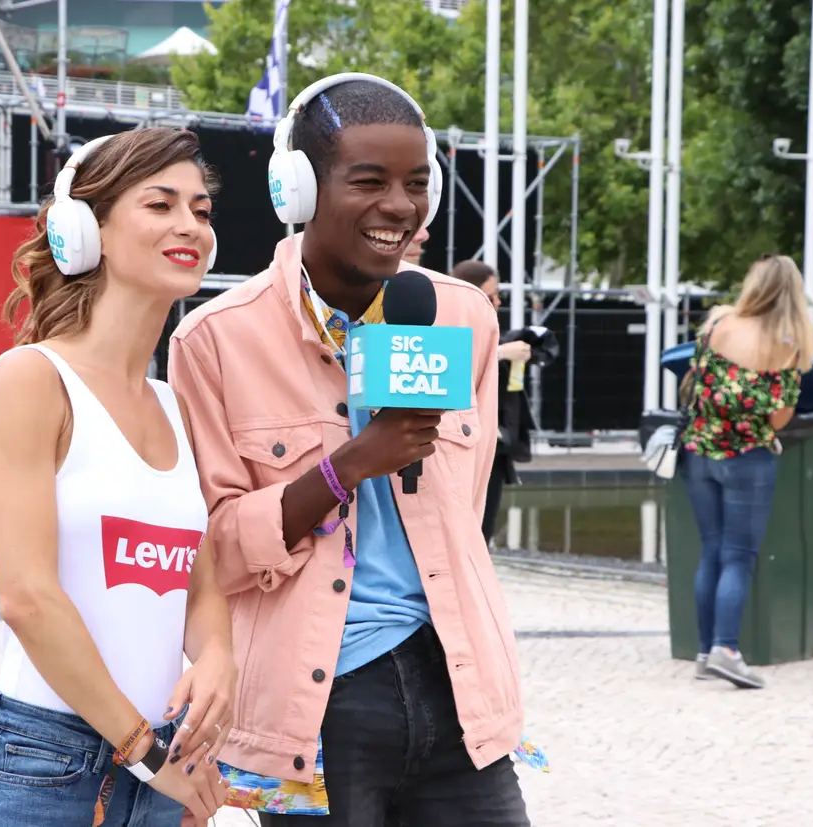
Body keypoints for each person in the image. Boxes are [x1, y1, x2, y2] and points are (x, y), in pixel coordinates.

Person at [169, 76, 530, 826]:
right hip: (319, 702)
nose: (399, 205)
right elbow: (215, 551)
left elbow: (465, 509)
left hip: (458, 679)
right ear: (299, 190)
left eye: (417, 183)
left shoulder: (463, 316)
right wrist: (348, 466)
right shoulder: (215, 341)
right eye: (369, 182)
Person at [0, 128, 234, 827]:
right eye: (160, 204)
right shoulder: (31, 379)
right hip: (45, 763)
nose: (189, 225)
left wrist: (219, 656)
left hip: (161, 763)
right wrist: (144, 753)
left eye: (200, 209)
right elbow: (27, 598)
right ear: (85, 229)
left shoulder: (174, 405)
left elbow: (197, 581)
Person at [680, 254, 813, 689]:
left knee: (711, 550)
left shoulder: (716, 325)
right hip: (747, 459)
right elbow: (778, 418)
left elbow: (694, 385)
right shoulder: (786, 343)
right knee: (738, 556)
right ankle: (727, 649)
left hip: (699, 452)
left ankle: (705, 653)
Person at [450, 261, 531, 543]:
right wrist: (501, 353)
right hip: (462, 443)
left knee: (483, 527)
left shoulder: (488, 331)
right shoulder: (448, 325)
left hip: (492, 442)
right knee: (466, 530)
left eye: (497, 296)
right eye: (490, 296)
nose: (497, 302)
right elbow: (453, 368)